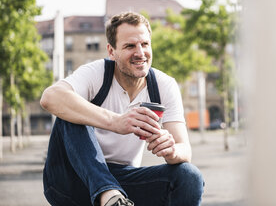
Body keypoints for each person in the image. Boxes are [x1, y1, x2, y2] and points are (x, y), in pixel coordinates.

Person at [40, 11, 204, 206]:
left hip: (123, 182)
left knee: (190, 176)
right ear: (111, 52)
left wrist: (172, 150)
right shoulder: (96, 73)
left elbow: (185, 149)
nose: (140, 53)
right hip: (71, 180)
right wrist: (115, 122)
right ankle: (108, 195)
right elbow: (50, 97)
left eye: (145, 44)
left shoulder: (164, 85)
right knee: (69, 109)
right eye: (130, 46)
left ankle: (114, 198)